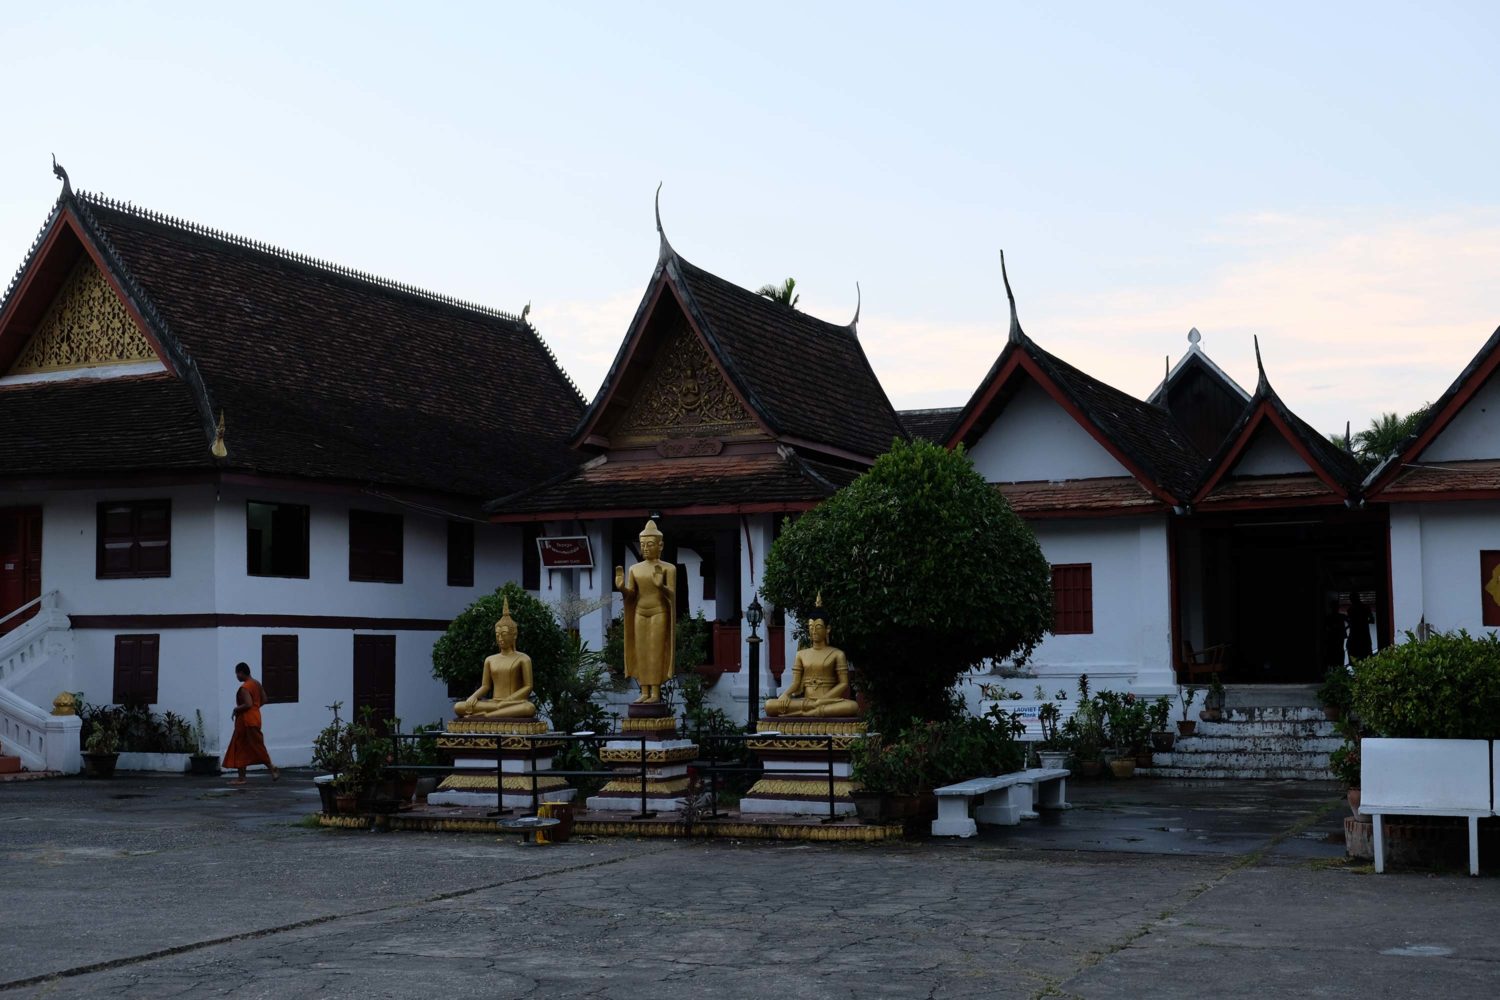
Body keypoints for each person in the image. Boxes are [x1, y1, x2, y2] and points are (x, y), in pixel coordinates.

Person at [764, 597, 860, 718]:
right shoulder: (801, 654)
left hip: (827, 701)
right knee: (769, 705)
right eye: (811, 627)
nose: (814, 631)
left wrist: (822, 700)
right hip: (806, 701)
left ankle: (808, 713)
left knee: (852, 706)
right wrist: (785, 694)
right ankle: (811, 711)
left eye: (818, 626)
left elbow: (844, 683)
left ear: (827, 629)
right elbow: (796, 683)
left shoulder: (837, 654)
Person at [614, 519, 676, 703]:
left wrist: (661, 586)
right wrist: (622, 588)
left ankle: (655, 692)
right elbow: (632, 594)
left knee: (655, 650)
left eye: (650, 544)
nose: (646, 548)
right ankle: (644, 690)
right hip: (640, 612)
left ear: (660, 545)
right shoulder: (635, 569)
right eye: (643, 545)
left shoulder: (668, 568)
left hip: (659, 612)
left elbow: (672, 594)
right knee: (641, 650)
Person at [453, 598, 538, 718]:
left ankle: (485, 716)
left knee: (528, 708)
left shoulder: (523, 659)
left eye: (504, 634)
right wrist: (474, 696)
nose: (500, 638)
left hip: (512, 703)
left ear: (514, 635)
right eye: (497, 635)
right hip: (493, 703)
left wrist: (507, 701)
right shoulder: (490, 659)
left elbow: (528, 687)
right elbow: (486, 686)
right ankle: (494, 713)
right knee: (459, 707)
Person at [222, 662, 278, 784]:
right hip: (255, 717)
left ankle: (271, 767)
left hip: (246, 720)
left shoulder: (245, 687)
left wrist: (236, 709)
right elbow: (264, 699)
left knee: (254, 745)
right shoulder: (256, 683)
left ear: (242, 672)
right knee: (242, 746)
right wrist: (255, 709)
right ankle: (241, 778)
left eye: (237, 673)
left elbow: (248, 704)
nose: (236, 676)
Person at [1346, 593, 1373, 662]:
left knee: (1355, 659)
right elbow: (1372, 620)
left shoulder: (1350, 609)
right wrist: (1364, 622)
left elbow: (1351, 622)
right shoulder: (1366, 607)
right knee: (1366, 658)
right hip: (1364, 636)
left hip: (1354, 636)